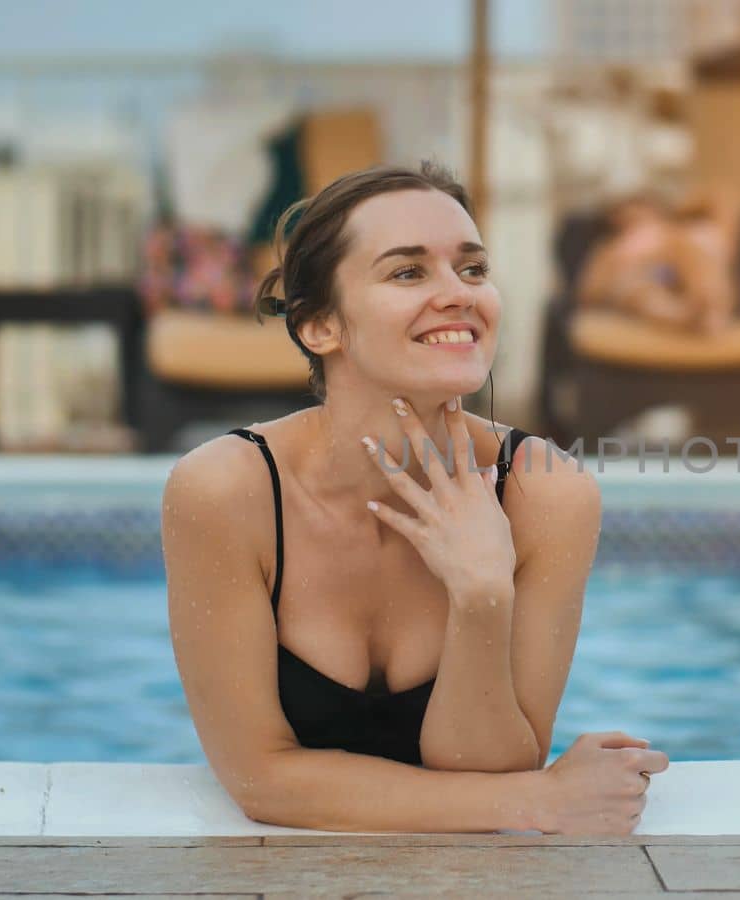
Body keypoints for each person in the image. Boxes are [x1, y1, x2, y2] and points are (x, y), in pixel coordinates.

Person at [161, 162, 668, 834]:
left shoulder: (546, 493)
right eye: (408, 272)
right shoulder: (227, 490)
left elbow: (489, 768)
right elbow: (261, 779)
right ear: (319, 327)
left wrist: (481, 594)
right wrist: (539, 800)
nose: (459, 294)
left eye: (473, 269)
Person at [575, 185, 740, 335]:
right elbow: (589, 293)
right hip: (649, 279)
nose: (633, 217)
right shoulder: (610, 248)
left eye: (641, 211)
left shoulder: (677, 232)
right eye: (626, 216)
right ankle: (683, 316)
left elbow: (722, 197)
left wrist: (680, 214)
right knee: (634, 288)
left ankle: (708, 309)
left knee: (691, 248)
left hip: (679, 274)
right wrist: (619, 265)